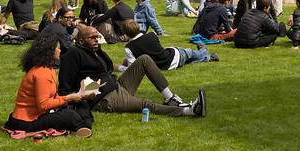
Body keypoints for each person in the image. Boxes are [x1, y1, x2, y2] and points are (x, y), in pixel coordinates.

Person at [57, 24, 205, 118]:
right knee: (145, 104)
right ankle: (189, 111)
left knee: (144, 59)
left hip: (116, 85)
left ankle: (170, 98)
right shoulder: (73, 54)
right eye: (92, 38)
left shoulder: (96, 51)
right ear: (81, 41)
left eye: (97, 37)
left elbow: (108, 69)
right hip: (103, 98)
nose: (96, 40)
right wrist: (77, 98)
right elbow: (65, 87)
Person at [2, 39, 99, 138]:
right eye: (58, 48)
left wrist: (77, 97)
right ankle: (80, 126)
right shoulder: (42, 73)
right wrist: (67, 98)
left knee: (82, 104)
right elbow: (43, 105)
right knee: (70, 116)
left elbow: (52, 99)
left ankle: (79, 126)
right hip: (27, 121)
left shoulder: (48, 69)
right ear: (50, 51)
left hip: (39, 114)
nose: (60, 51)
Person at [123, 19, 214, 68]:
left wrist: (120, 68)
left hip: (166, 65)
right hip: (174, 57)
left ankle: (208, 56)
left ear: (125, 33)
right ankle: (204, 52)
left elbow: (132, 68)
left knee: (191, 59)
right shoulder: (152, 35)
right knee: (192, 54)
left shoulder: (129, 48)